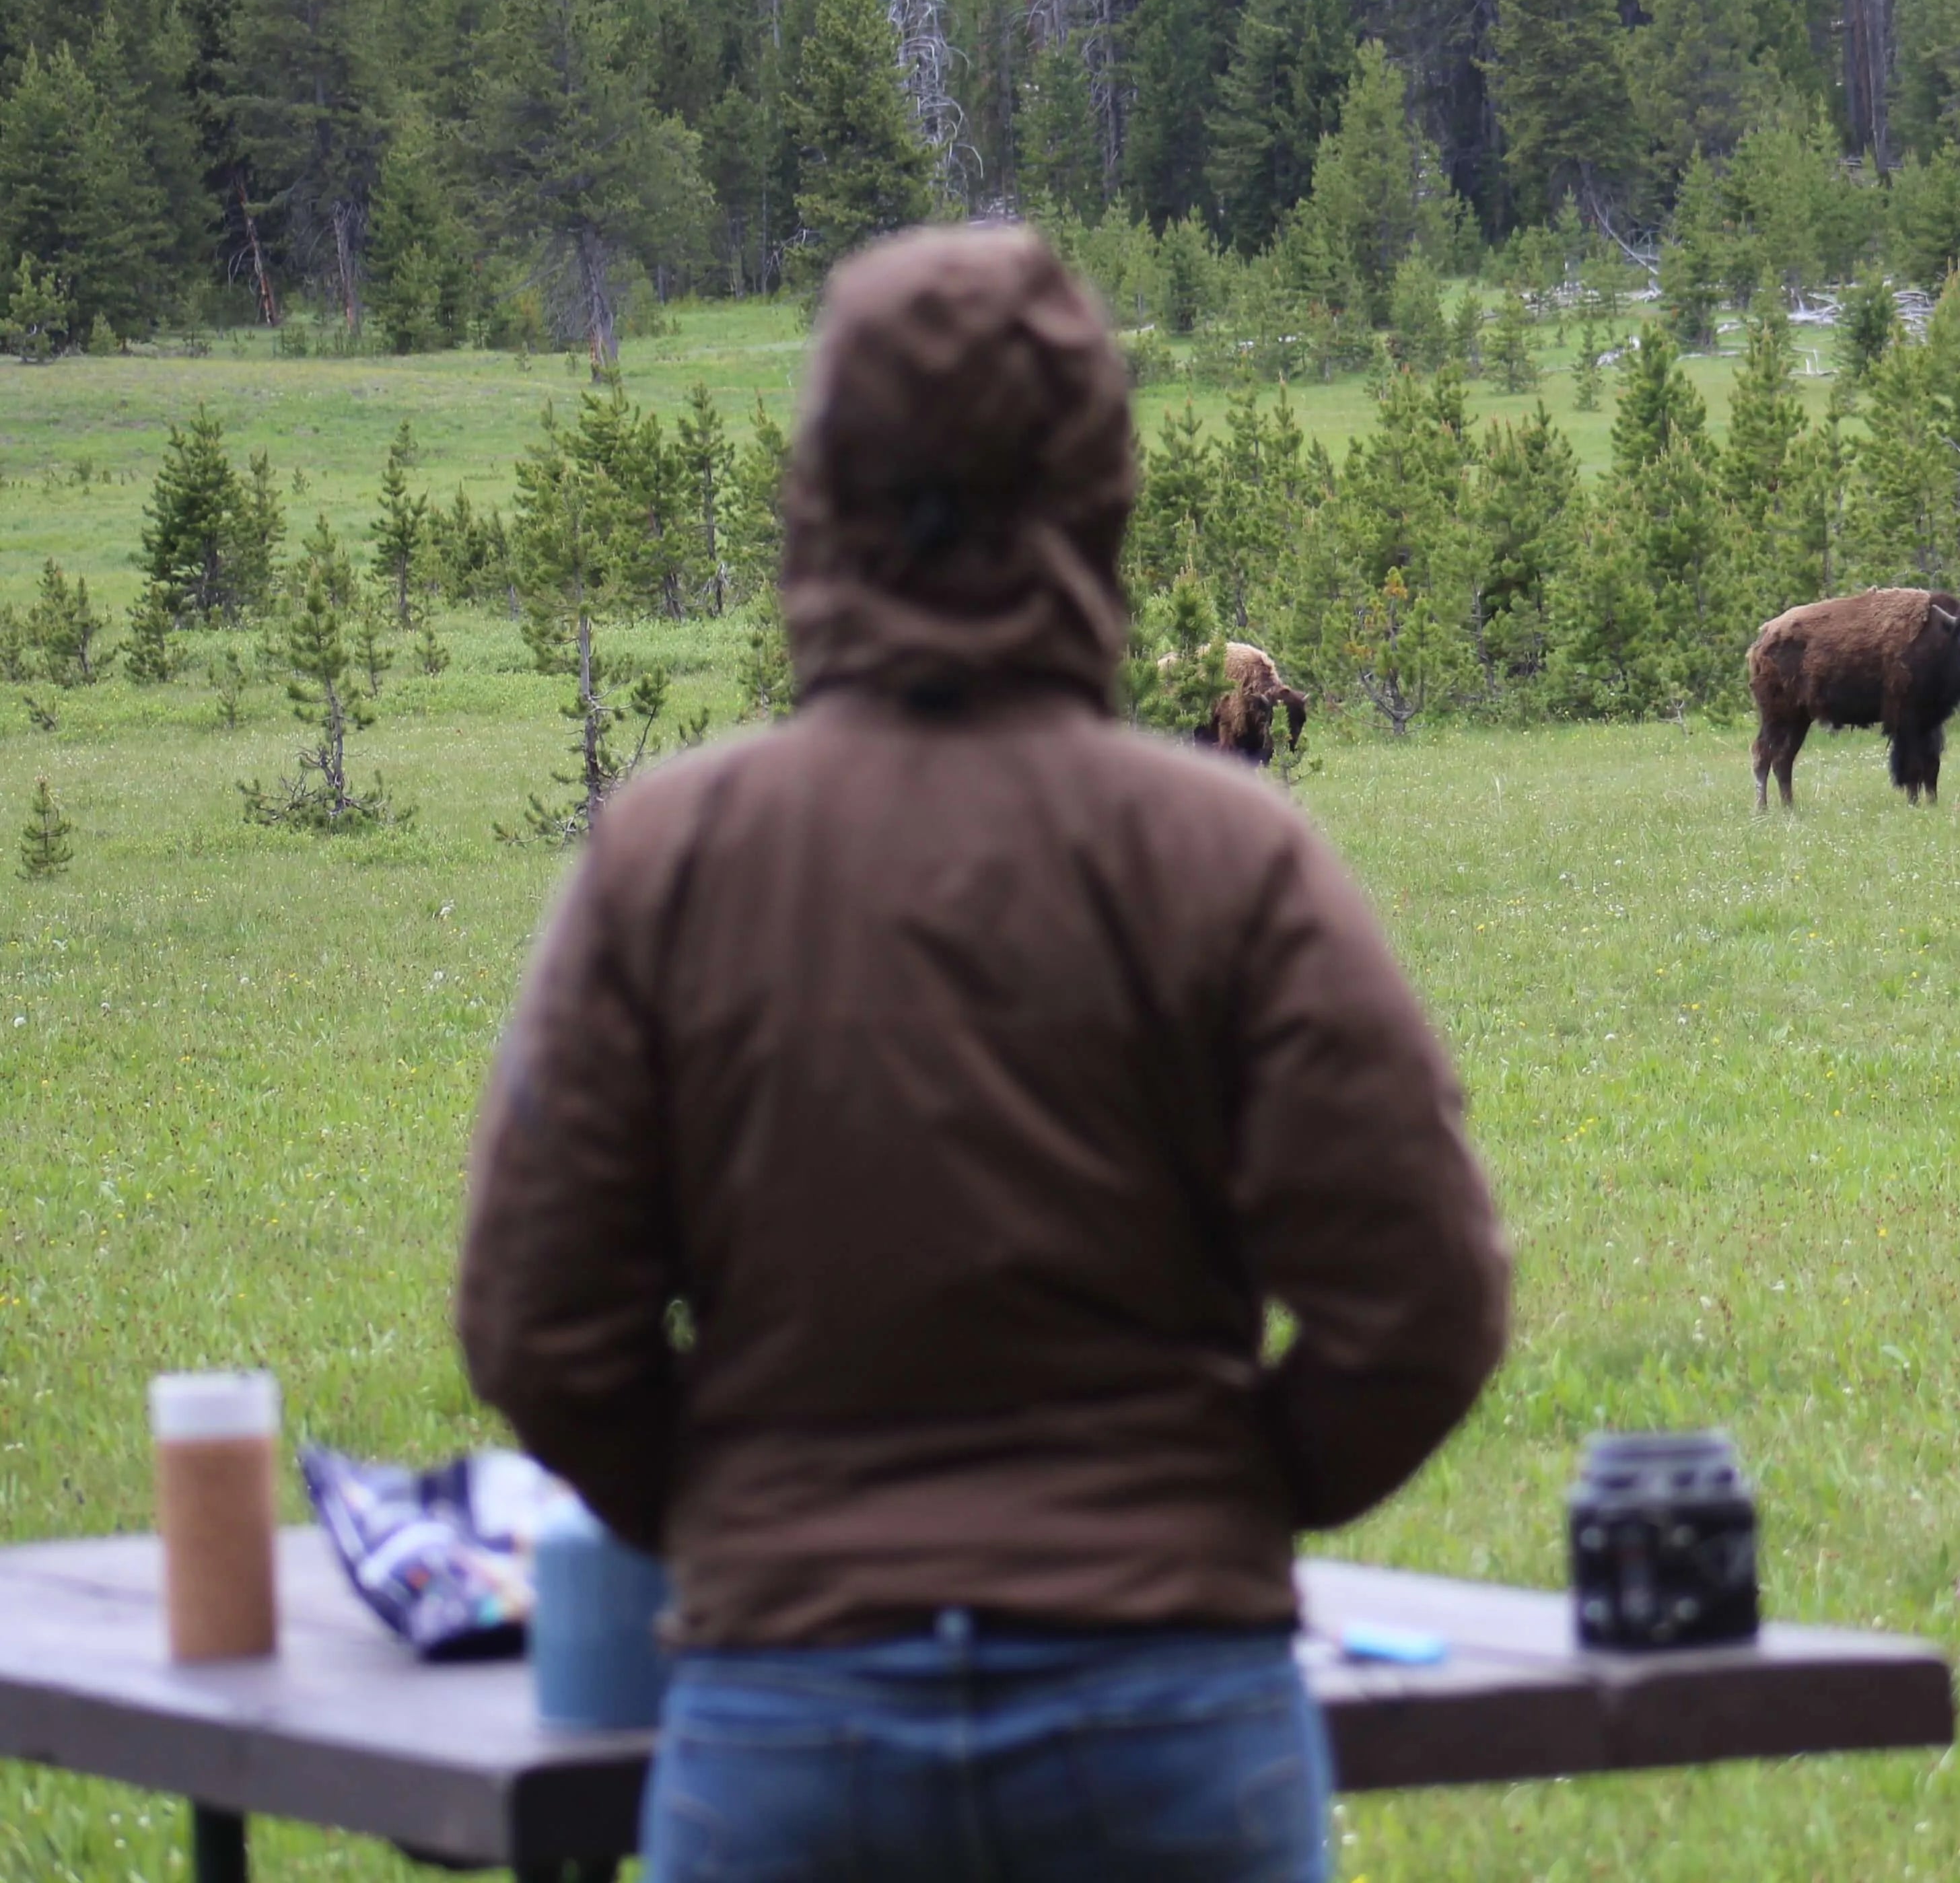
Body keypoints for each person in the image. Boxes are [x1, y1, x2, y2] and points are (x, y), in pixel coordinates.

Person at [458, 225, 1509, 1883]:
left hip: (784, 1719)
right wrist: (1214, 1503)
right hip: (1171, 1710)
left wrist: (743, 1521)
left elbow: (536, 1319)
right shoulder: (1227, 859)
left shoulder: (672, 859)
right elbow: (1427, 1302)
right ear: (1098, 496)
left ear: (822, 495)